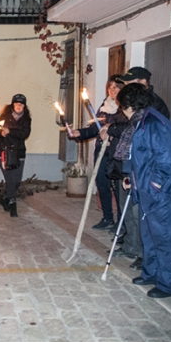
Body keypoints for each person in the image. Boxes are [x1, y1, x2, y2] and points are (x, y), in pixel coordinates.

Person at [116, 83, 171, 299]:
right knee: (149, 234)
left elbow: (168, 161)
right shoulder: (141, 121)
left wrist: (153, 185)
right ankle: (151, 272)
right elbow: (140, 156)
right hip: (148, 190)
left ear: (130, 105)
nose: (122, 110)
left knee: (166, 237)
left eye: (123, 106)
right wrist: (132, 178)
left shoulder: (155, 123)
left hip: (166, 192)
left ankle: (168, 284)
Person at [69, 75, 124, 230]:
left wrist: (111, 131)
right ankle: (107, 218)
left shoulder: (124, 109)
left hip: (115, 152)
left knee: (118, 188)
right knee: (102, 183)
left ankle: (121, 222)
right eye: (110, 86)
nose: (113, 90)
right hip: (101, 151)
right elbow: (95, 128)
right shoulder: (104, 106)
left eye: (116, 86)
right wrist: (79, 133)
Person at [0, 94, 31, 218]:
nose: (19, 106)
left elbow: (25, 133)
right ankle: (13, 206)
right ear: (12, 105)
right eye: (16, 104)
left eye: (21, 104)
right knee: (10, 179)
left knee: (16, 181)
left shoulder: (26, 119)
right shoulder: (4, 118)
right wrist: (1, 134)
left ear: (24, 106)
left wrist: (10, 131)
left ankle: (6, 198)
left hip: (19, 153)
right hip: (4, 153)